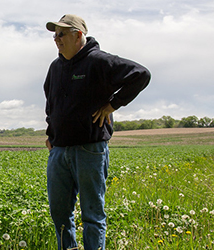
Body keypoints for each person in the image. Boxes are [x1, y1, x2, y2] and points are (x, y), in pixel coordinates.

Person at [43, 14, 150, 250]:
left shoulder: (99, 61)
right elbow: (50, 103)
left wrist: (113, 105)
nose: (56, 40)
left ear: (78, 35)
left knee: (92, 214)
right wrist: (51, 133)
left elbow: (140, 74)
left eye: (61, 34)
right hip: (59, 151)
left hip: (89, 149)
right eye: (54, 35)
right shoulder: (55, 67)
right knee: (59, 214)